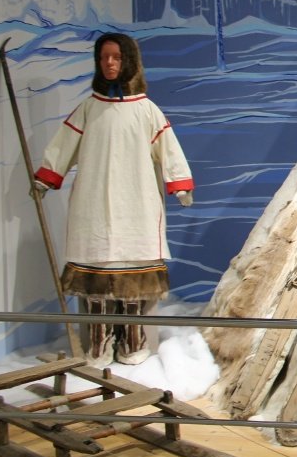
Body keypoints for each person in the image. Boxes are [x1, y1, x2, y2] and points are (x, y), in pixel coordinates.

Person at [33, 33, 194, 367]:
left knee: (133, 285)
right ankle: (98, 347)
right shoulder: (89, 109)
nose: (109, 63)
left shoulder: (147, 111)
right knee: (96, 285)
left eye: (116, 58)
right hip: (93, 208)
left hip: (136, 206)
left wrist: (179, 184)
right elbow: (64, 146)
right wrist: (46, 177)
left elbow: (168, 149)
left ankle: (133, 344)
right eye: (104, 57)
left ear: (129, 61)